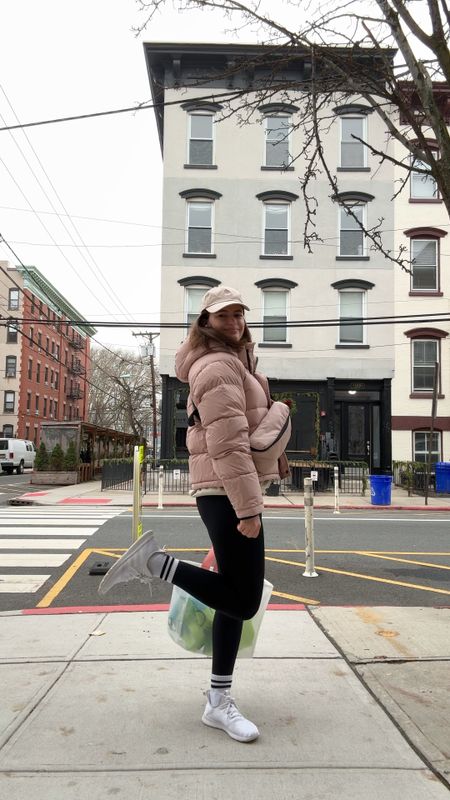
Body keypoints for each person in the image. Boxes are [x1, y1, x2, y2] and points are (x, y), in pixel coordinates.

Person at [98, 286, 289, 743]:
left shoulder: (234, 361)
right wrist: (248, 508)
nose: (236, 321)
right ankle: (155, 563)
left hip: (227, 490)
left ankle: (218, 702)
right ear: (205, 322)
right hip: (226, 493)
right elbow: (226, 441)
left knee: (232, 601)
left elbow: (243, 428)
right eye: (225, 316)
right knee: (242, 600)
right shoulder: (218, 365)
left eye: (240, 313)